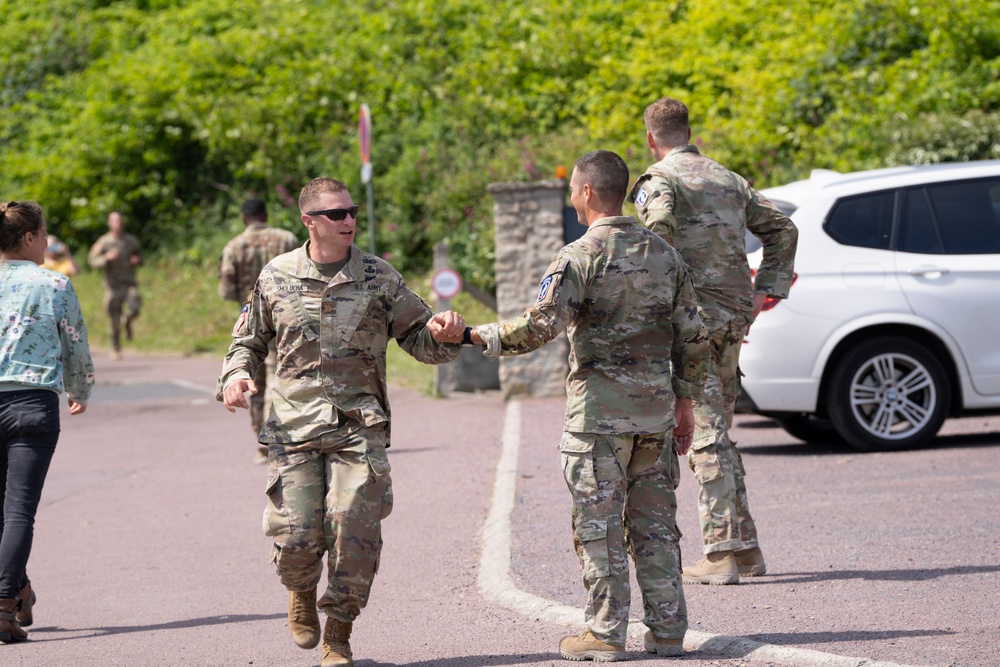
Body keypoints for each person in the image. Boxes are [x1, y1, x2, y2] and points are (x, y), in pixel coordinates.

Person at [430, 151, 712, 661]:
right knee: (655, 529)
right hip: (654, 414)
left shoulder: (579, 257)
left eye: (573, 189)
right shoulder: (665, 255)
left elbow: (538, 328)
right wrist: (685, 403)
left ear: (585, 192)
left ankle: (604, 636)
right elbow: (693, 336)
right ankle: (669, 632)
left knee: (599, 529)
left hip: (598, 421)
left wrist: (471, 335)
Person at [217, 177, 465, 667]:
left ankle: (339, 632)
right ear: (310, 222)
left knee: (356, 527)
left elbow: (419, 338)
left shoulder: (379, 276)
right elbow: (247, 340)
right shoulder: (276, 276)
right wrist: (237, 375)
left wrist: (448, 334)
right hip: (294, 426)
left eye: (351, 211)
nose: (348, 220)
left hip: (359, 425)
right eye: (336, 214)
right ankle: (300, 591)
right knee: (296, 535)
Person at [627, 97, 798, 585]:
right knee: (718, 429)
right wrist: (766, 288)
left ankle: (721, 551)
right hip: (732, 318)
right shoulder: (728, 178)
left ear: (650, 139)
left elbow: (655, 235)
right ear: (687, 130)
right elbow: (782, 229)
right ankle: (745, 549)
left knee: (704, 436)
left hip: (692, 325)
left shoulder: (659, 180)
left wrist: (648, 305)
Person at [0, 201, 94, 643]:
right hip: (32, 406)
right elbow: (73, 341)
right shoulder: (55, 283)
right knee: (18, 510)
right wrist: (80, 389)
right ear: (29, 238)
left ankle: (16, 591)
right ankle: (5, 602)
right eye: (44, 233)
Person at [218, 198, 300, 464]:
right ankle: (275, 436)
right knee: (280, 378)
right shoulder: (286, 239)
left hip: (251, 320)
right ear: (266, 214)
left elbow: (226, 289)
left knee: (253, 382)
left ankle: (261, 441)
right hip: (285, 317)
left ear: (244, 218)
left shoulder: (234, 246)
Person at [88, 211, 142, 360]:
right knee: (113, 319)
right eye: (114, 221)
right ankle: (115, 347)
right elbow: (92, 261)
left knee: (135, 306)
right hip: (112, 285)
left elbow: (140, 257)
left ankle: (128, 321)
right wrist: (106, 258)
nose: (117, 223)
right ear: (109, 223)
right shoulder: (104, 242)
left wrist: (137, 260)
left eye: (119, 220)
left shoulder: (131, 241)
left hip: (129, 283)